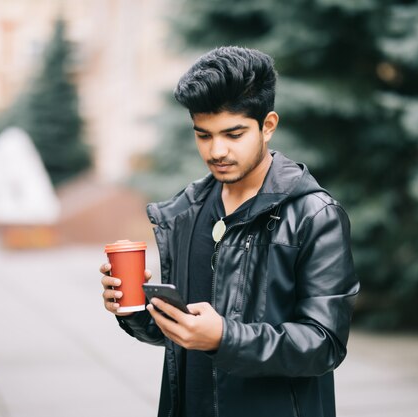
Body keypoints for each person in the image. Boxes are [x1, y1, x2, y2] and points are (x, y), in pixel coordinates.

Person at [100, 46, 359, 417]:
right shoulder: (187, 210)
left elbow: (324, 344)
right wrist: (134, 310)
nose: (216, 150)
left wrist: (225, 338)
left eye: (233, 134)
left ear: (267, 126)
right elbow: (185, 333)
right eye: (203, 135)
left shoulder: (315, 215)